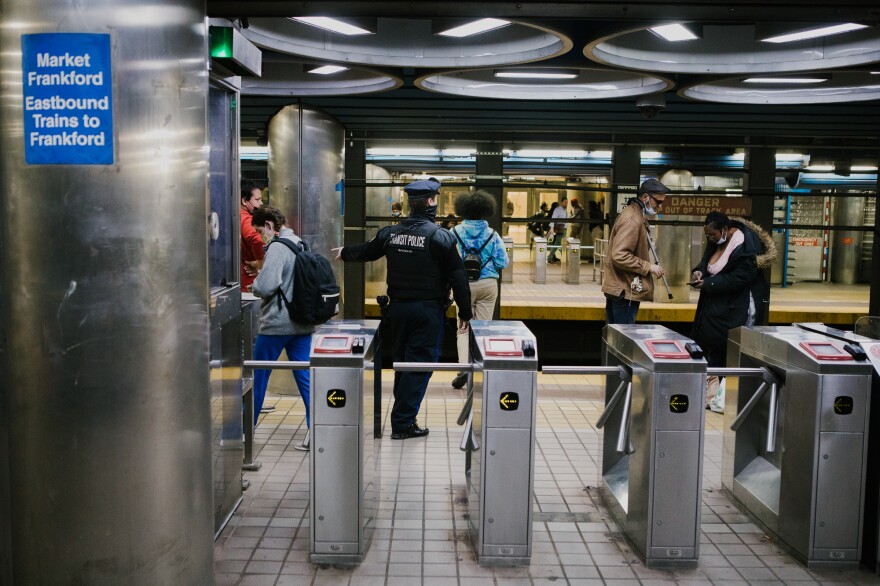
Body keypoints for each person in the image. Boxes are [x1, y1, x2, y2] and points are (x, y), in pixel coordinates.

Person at [333, 178, 472, 440]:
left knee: (403, 363)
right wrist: (465, 313)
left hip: (397, 310)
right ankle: (403, 423)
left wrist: (345, 252)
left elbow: (368, 251)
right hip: (428, 311)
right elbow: (458, 278)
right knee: (419, 365)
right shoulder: (440, 236)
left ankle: (403, 417)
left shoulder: (391, 233)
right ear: (431, 202)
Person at [691, 211, 775, 412]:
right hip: (717, 303)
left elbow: (741, 277)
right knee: (713, 343)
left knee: (732, 345)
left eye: (713, 235)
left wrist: (709, 283)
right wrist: (699, 271)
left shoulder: (747, 246)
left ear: (725, 230)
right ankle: (714, 393)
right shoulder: (715, 239)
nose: (710, 239)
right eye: (708, 236)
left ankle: (729, 395)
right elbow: (707, 262)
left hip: (738, 304)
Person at [249, 206, 314, 445]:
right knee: (306, 378)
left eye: (261, 231)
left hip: (277, 323)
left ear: (269, 225)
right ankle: (315, 429)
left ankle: (246, 430)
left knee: (258, 376)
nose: (261, 236)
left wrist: (253, 286)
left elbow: (266, 285)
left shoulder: (277, 247)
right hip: (302, 322)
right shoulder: (300, 243)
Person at [449, 190, 510, 389]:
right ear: (485, 210)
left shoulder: (454, 233)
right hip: (487, 286)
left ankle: (464, 370)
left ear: (462, 210)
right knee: (483, 329)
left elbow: (446, 261)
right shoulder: (492, 234)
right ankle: (481, 366)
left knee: (463, 328)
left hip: (462, 286)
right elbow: (503, 261)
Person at [601, 178, 669, 324]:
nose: (660, 207)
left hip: (620, 289)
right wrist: (648, 266)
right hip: (624, 292)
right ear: (645, 197)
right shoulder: (633, 219)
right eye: (658, 202)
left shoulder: (636, 214)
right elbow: (619, 255)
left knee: (615, 339)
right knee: (623, 340)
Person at [240, 181, 265, 292]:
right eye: (257, 199)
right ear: (244, 201)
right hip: (248, 276)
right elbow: (256, 239)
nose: (261, 203)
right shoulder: (245, 218)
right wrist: (261, 262)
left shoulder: (234, 214)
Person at [547, 197, 568, 263]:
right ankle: (565, 259)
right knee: (563, 244)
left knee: (557, 244)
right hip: (560, 230)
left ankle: (550, 257)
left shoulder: (565, 210)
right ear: (561, 202)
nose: (566, 204)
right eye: (565, 202)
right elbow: (553, 219)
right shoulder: (557, 210)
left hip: (564, 229)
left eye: (567, 202)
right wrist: (551, 228)